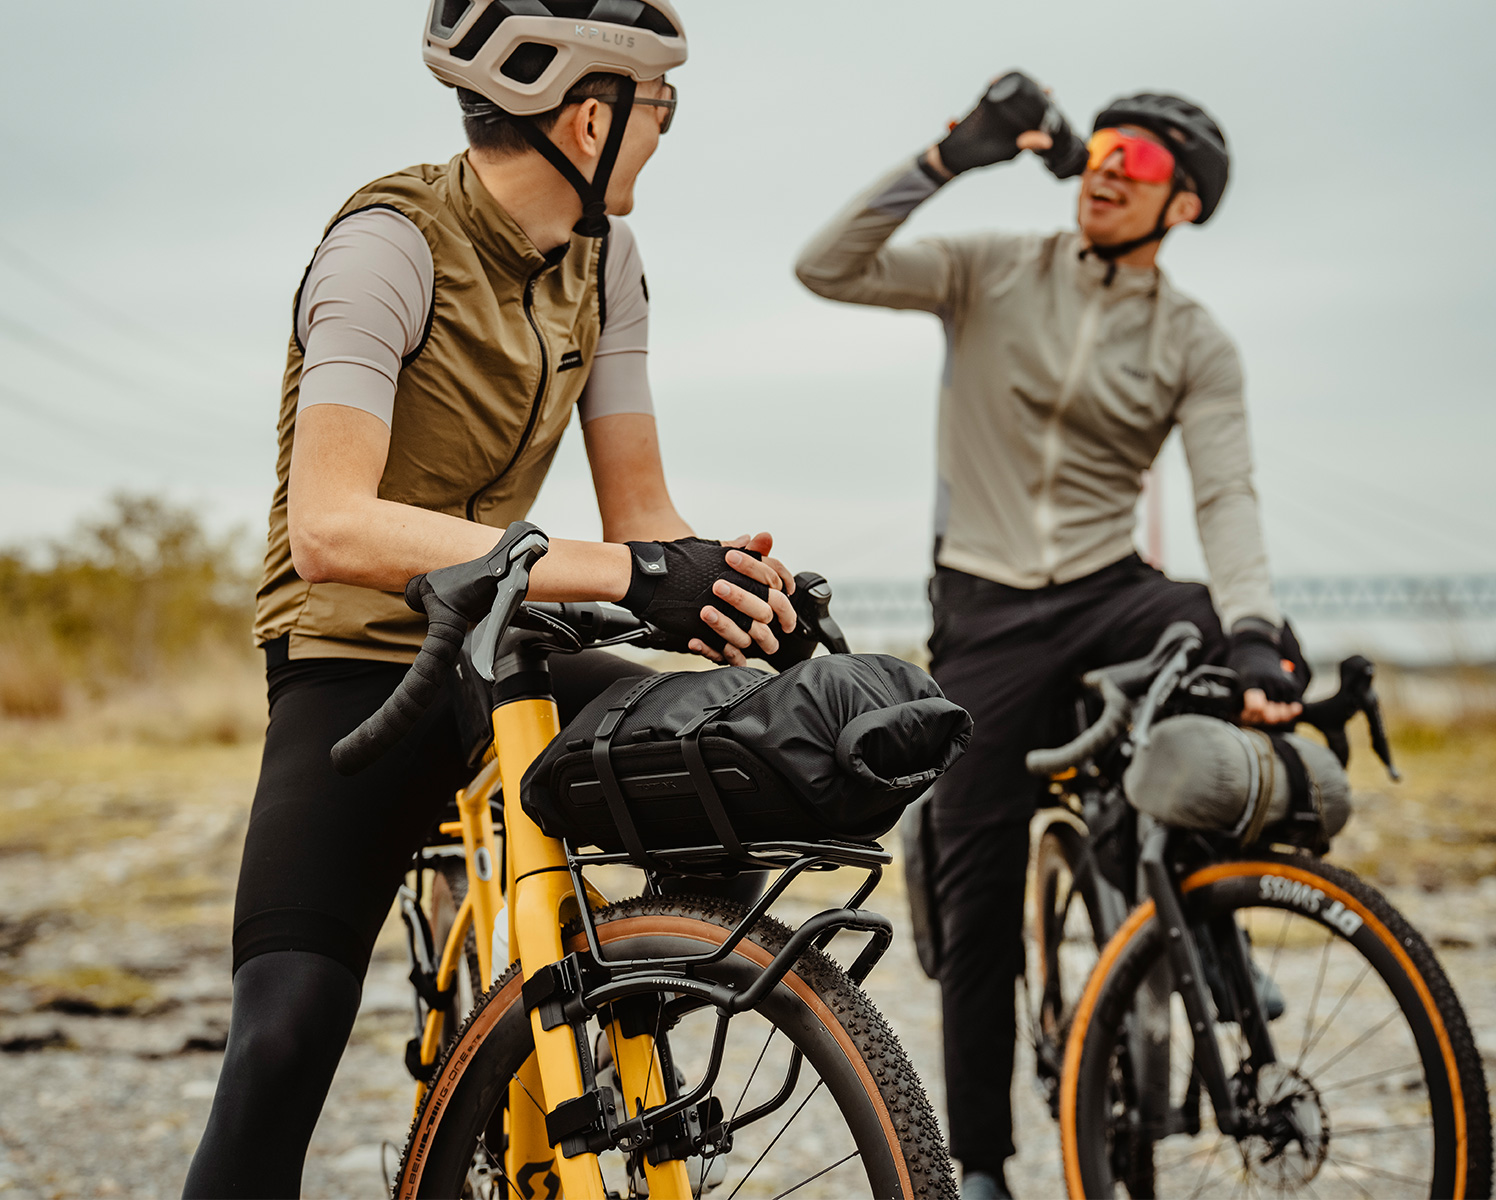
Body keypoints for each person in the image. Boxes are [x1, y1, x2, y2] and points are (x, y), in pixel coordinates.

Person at [184, 3, 799, 1194]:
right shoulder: (386, 248)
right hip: (361, 665)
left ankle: (589, 1022)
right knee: (284, 1030)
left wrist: (728, 583)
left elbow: (642, 520)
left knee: (734, 773)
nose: (665, 131)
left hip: (512, 645)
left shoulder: (606, 258)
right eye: (659, 107)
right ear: (589, 114)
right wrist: (634, 577)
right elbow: (332, 528)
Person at [794, 76, 1306, 1199]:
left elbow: (1225, 495)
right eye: (1106, 147)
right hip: (982, 608)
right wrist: (948, 159)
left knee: (1218, 631)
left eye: (1145, 161)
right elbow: (824, 265)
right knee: (978, 899)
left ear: (1185, 208)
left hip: (1105, 588)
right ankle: (981, 1163)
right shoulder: (992, 269)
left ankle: (1209, 931)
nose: (1115, 167)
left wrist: (1259, 633)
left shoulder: (1194, 342)